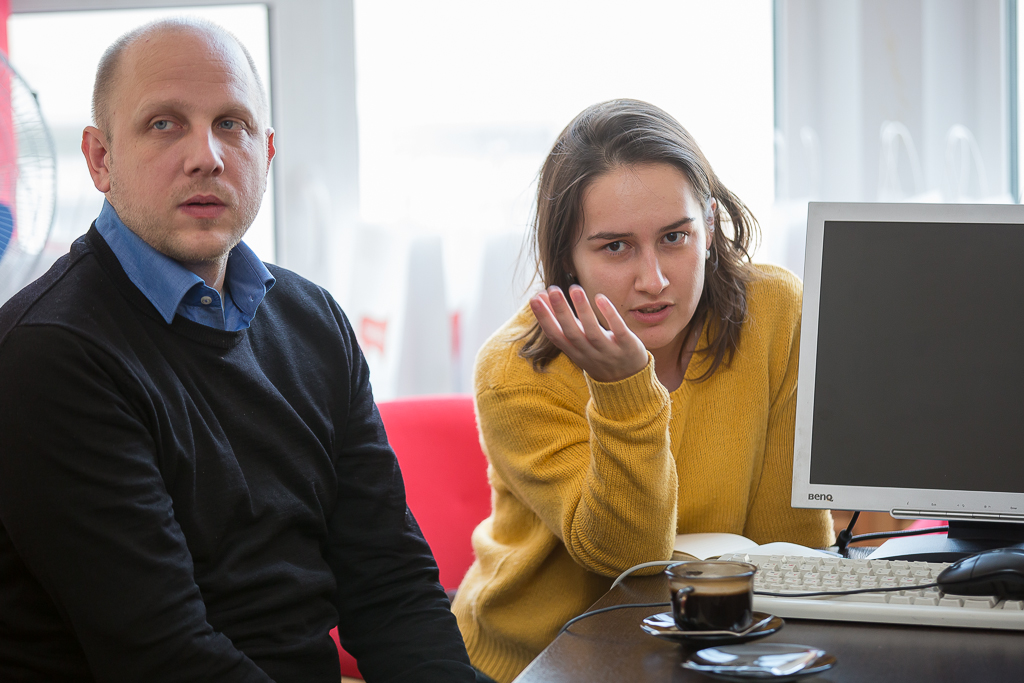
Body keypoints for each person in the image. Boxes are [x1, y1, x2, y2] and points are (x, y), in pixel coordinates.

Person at [0, 18, 477, 683]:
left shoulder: (313, 320)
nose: (208, 155)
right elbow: (165, 658)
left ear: (268, 151)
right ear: (100, 158)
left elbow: (391, 586)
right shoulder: (48, 356)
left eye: (232, 124)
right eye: (164, 124)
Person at [451, 99, 835, 683]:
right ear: (568, 259)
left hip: (712, 648)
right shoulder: (514, 371)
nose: (653, 280)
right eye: (615, 247)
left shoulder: (775, 313)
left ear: (708, 225)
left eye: (675, 237)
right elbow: (628, 561)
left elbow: (791, 547)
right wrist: (624, 389)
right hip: (547, 657)